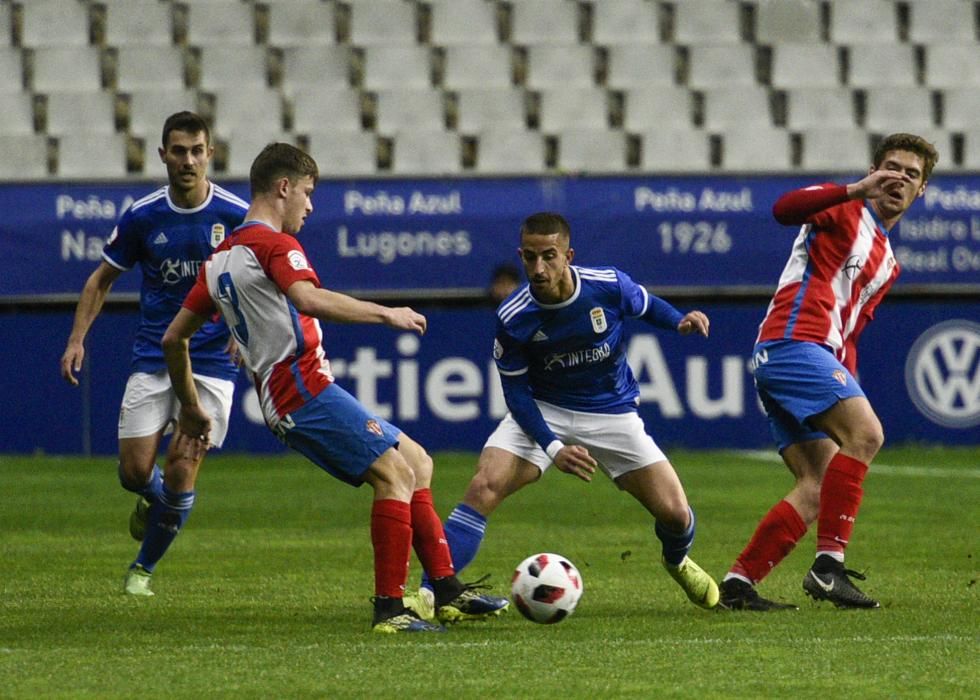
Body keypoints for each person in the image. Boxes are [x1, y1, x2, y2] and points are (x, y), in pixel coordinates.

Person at [161, 142, 509, 633]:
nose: (310, 205)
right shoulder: (274, 244)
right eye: (307, 192)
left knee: (418, 462)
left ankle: (446, 589)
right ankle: (390, 609)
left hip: (290, 392)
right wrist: (386, 313)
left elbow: (174, 338)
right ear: (284, 188)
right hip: (300, 388)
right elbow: (308, 297)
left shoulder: (220, 258)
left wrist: (192, 407)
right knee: (394, 477)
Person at [409, 211, 719, 618]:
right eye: (530, 257)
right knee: (484, 486)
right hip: (544, 409)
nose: (539, 269)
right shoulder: (514, 316)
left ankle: (676, 562)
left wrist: (679, 321)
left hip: (612, 412)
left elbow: (644, 304)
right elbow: (516, 395)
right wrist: (554, 448)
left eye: (549, 256)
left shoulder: (605, 286)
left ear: (568, 255)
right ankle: (432, 593)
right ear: (521, 255)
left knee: (676, 515)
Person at [718, 133, 938, 611]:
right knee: (868, 436)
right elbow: (783, 208)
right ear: (875, 171)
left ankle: (738, 584)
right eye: (892, 168)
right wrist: (856, 188)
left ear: (922, 190)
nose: (899, 178)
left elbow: (852, 331)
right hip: (793, 343)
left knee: (818, 484)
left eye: (912, 174)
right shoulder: (843, 206)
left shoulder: (889, 262)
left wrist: (846, 381)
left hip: (812, 357)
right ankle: (828, 568)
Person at [60, 111, 248, 597]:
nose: (188, 160)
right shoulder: (143, 216)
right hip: (154, 355)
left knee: (185, 464)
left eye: (197, 150)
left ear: (210, 154)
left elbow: (267, 276)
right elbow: (101, 280)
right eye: (179, 151)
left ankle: (141, 571)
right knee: (134, 472)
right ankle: (153, 498)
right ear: (162, 155)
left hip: (208, 360)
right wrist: (77, 339)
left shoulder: (234, 214)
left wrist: (246, 332)